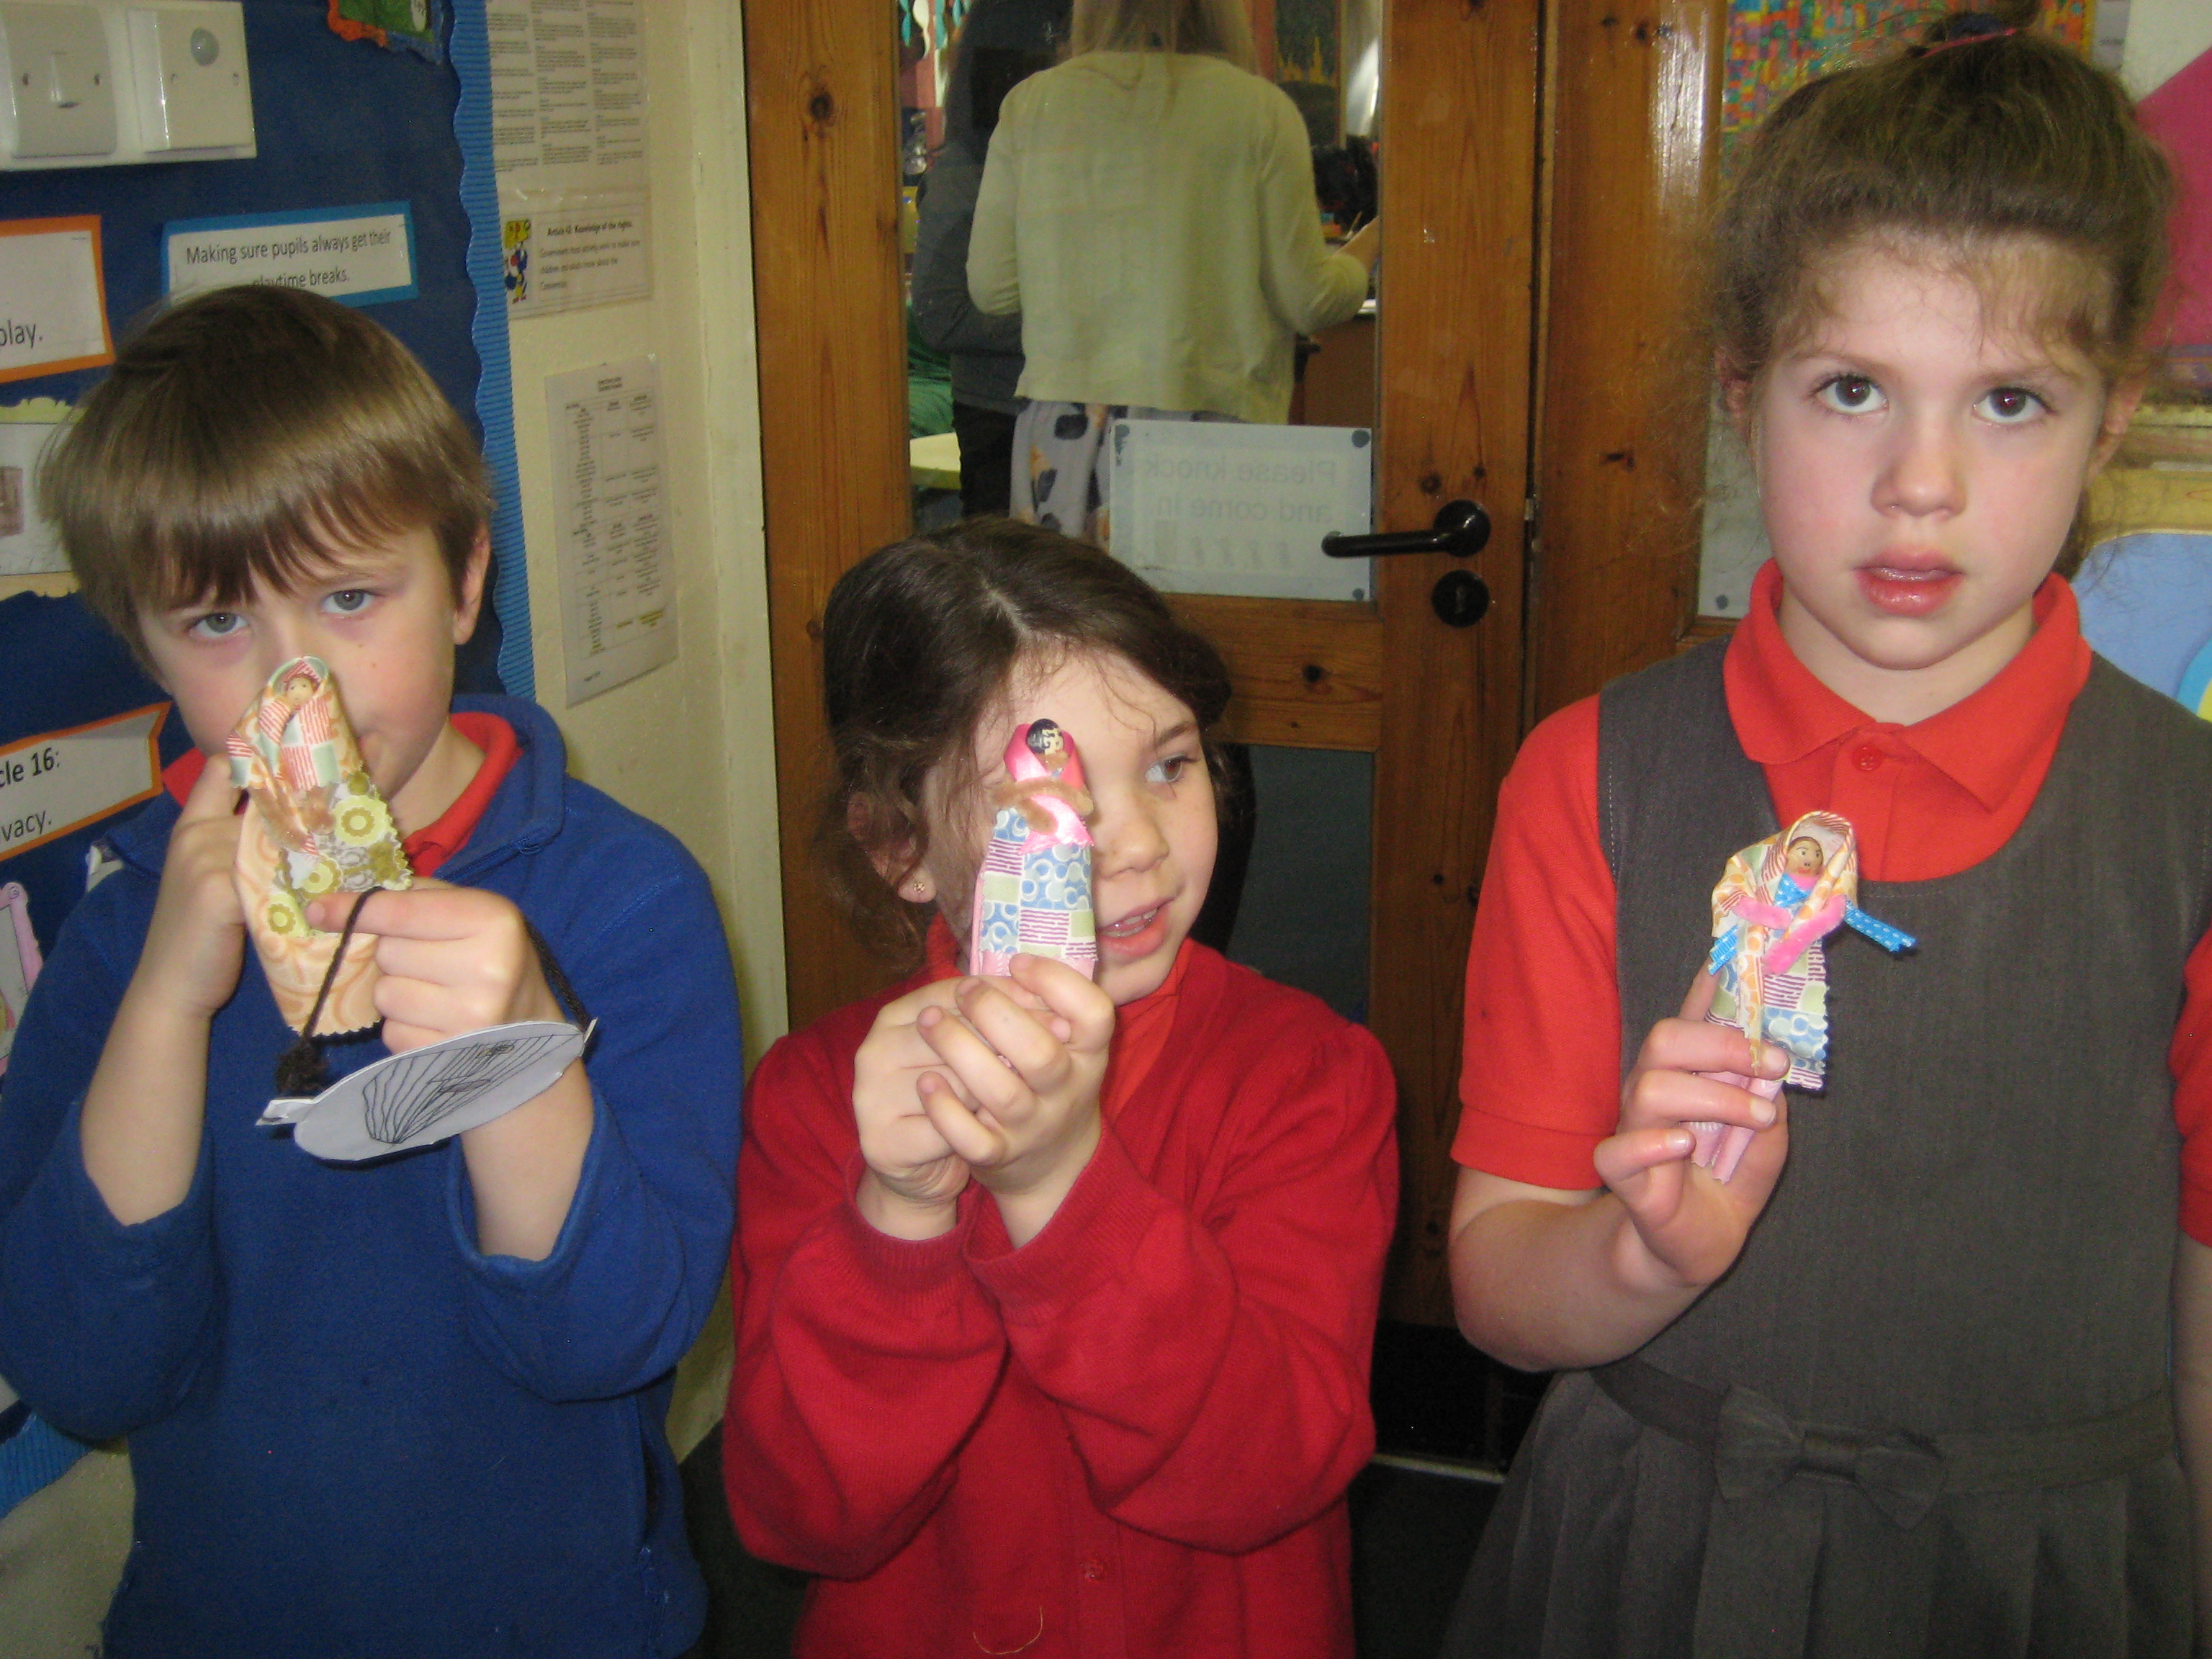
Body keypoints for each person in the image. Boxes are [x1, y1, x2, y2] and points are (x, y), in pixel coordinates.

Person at [1441, 6, 2212, 1652]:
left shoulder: (2184, 824)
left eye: (2009, 401)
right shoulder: (1590, 778)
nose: (1920, 481)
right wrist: (1641, 1257)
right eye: (1851, 388)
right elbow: (1496, 1285)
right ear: (1741, 396)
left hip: (2048, 1590)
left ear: (2109, 421)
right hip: (1650, 1560)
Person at [0, 284, 742, 1658]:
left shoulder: (626, 901)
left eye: (350, 597)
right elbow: (84, 1372)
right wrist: (167, 1001)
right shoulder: (119, 939)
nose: (301, 686)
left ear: (463, 581)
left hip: (558, 1621)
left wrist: (523, 1053)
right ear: (141, 641)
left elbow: (613, 1341)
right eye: (216, 621)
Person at [720, 521, 1397, 1658]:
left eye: (1170, 765)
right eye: (1043, 802)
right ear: (898, 846)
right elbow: (800, 1518)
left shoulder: (1306, 1076)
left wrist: (1056, 1186)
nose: (1134, 845)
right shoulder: (815, 1101)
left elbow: (1271, 1472)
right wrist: (897, 1222)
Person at [967, 0, 1379, 539]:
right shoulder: (1257, 109)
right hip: (1210, 426)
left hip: (1066, 436)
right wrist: (1375, 239)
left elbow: (992, 289)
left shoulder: (1033, 105)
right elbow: (1311, 299)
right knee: (1203, 592)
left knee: (1073, 592)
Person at [910, 0, 1070, 516]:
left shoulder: (1077, 156)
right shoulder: (965, 173)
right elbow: (941, 315)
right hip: (1001, 412)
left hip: (1065, 404)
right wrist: (1069, 325)